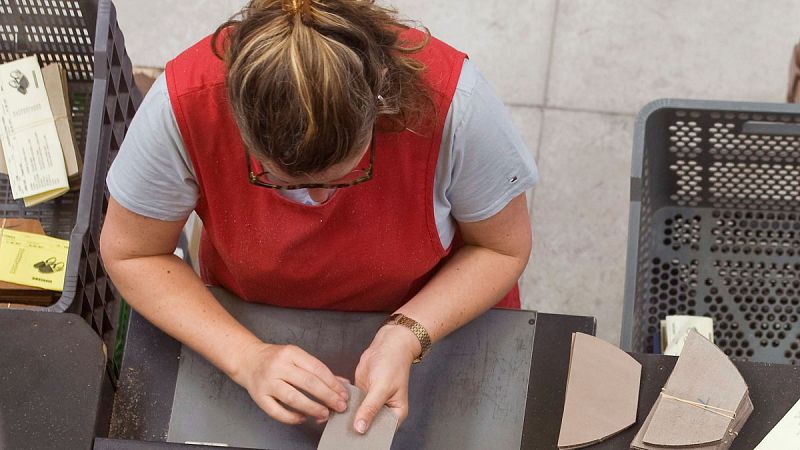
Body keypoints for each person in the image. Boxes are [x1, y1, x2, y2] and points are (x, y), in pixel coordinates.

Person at [100, 0, 537, 436]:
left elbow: (500, 247)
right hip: (251, 315)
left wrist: (407, 333)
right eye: (279, 180)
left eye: (346, 175)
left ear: (381, 90)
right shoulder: (184, 106)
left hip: (434, 311)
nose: (317, 200)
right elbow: (134, 253)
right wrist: (246, 357)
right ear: (232, 112)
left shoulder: (455, 105)